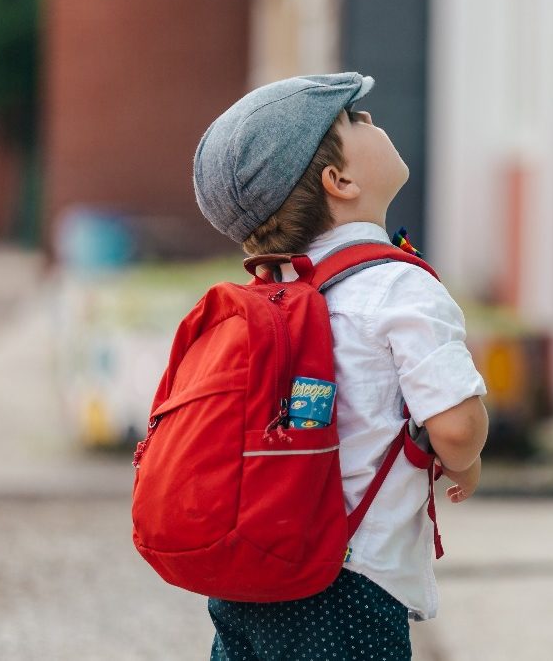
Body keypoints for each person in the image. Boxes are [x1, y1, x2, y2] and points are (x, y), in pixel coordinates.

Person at [192, 72, 489, 660]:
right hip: (348, 586)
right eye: (354, 119)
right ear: (340, 180)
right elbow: (455, 426)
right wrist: (467, 459)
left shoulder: (269, 293)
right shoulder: (399, 286)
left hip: (247, 578)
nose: (371, 120)